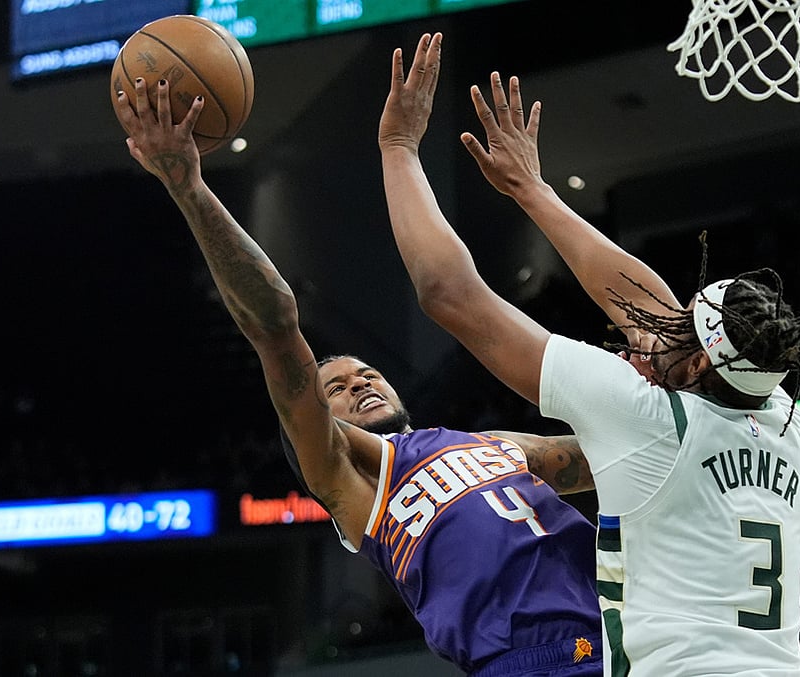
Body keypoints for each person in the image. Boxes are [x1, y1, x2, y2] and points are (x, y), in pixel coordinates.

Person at [378, 32, 800, 676]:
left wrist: (398, 150)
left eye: (683, 330)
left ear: (702, 364)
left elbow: (449, 293)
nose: (661, 324)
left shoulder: (647, 419)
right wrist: (534, 192)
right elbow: (644, 307)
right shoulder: (778, 414)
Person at [111, 42, 605, 676]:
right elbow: (275, 325)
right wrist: (188, 187)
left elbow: (612, 456)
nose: (360, 381)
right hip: (525, 661)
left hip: (626, 639)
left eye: (365, 374)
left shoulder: (495, 447)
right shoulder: (354, 479)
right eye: (337, 386)